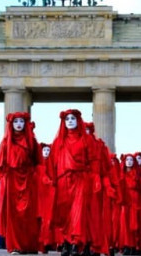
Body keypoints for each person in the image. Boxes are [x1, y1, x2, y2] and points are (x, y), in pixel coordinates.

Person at [0, 112, 40, 255]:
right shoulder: (5, 143)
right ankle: (16, 245)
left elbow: (39, 163)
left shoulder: (32, 141)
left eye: (21, 121)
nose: (19, 124)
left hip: (28, 181)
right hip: (12, 181)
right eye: (15, 122)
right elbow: (0, 165)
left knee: (28, 215)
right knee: (13, 216)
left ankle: (29, 245)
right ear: (11, 124)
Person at [49, 109, 96, 256]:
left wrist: (95, 180)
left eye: (73, 118)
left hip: (81, 180)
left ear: (78, 121)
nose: (70, 121)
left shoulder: (86, 140)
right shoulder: (58, 142)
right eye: (67, 119)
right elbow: (52, 163)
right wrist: (51, 180)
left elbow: (93, 161)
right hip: (63, 180)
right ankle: (65, 242)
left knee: (78, 212)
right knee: (64, 213)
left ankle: (76, 243)